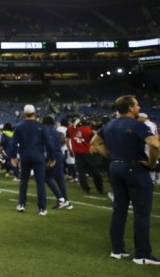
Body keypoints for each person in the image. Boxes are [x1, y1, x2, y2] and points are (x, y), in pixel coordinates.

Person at [91, 95, 160, 265]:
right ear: (130, 108)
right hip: (135, 168)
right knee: (142, 212)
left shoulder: (109, 124)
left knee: (119, 209)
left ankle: (117, 250)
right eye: (136, 105)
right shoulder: (138, 125)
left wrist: (112, 157)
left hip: (115, 168)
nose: (138, 108)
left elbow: (95, 142)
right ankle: (142, 254)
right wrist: (151, 163)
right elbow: (155, 144)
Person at [9, 104, 54, 216]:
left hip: (25, 157)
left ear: (24, 114)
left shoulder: (19, 126)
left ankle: (21, 204)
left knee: (24, 181)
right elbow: (48, 144)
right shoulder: (41, 126)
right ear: (35, 113)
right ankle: (42, 208)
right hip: (38, 157)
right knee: (40, 183)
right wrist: (51, 157)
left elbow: (14, 144)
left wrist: (13, 157)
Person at [67, 117, 105, 195]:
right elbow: (96, 141)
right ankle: (100, 188)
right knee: (96, 172)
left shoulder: (70, 128)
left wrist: (70, 150)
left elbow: (67, 139)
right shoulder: (88, 130)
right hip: (89, 154)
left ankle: (85, 189)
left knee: (81, 173)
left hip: (78, 153)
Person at [42, 116, 72, 210]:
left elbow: (49, 146)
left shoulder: (46, 131)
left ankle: (61, 199)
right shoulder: (58, 133)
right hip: (60, 155)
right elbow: (62, 142)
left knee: (47, 178)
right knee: (60, 179)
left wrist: (51, 158)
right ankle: (65, 200)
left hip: (53, 156)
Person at [137, 113, 159, 184]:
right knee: (155, 160)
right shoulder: (153, 124)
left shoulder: (146, 125)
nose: (138, 119)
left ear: (143, 118)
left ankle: (152, 178)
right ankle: (156, 179)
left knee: (149, 160)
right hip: (153, 142)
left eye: (139, 118)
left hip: (148, 143)